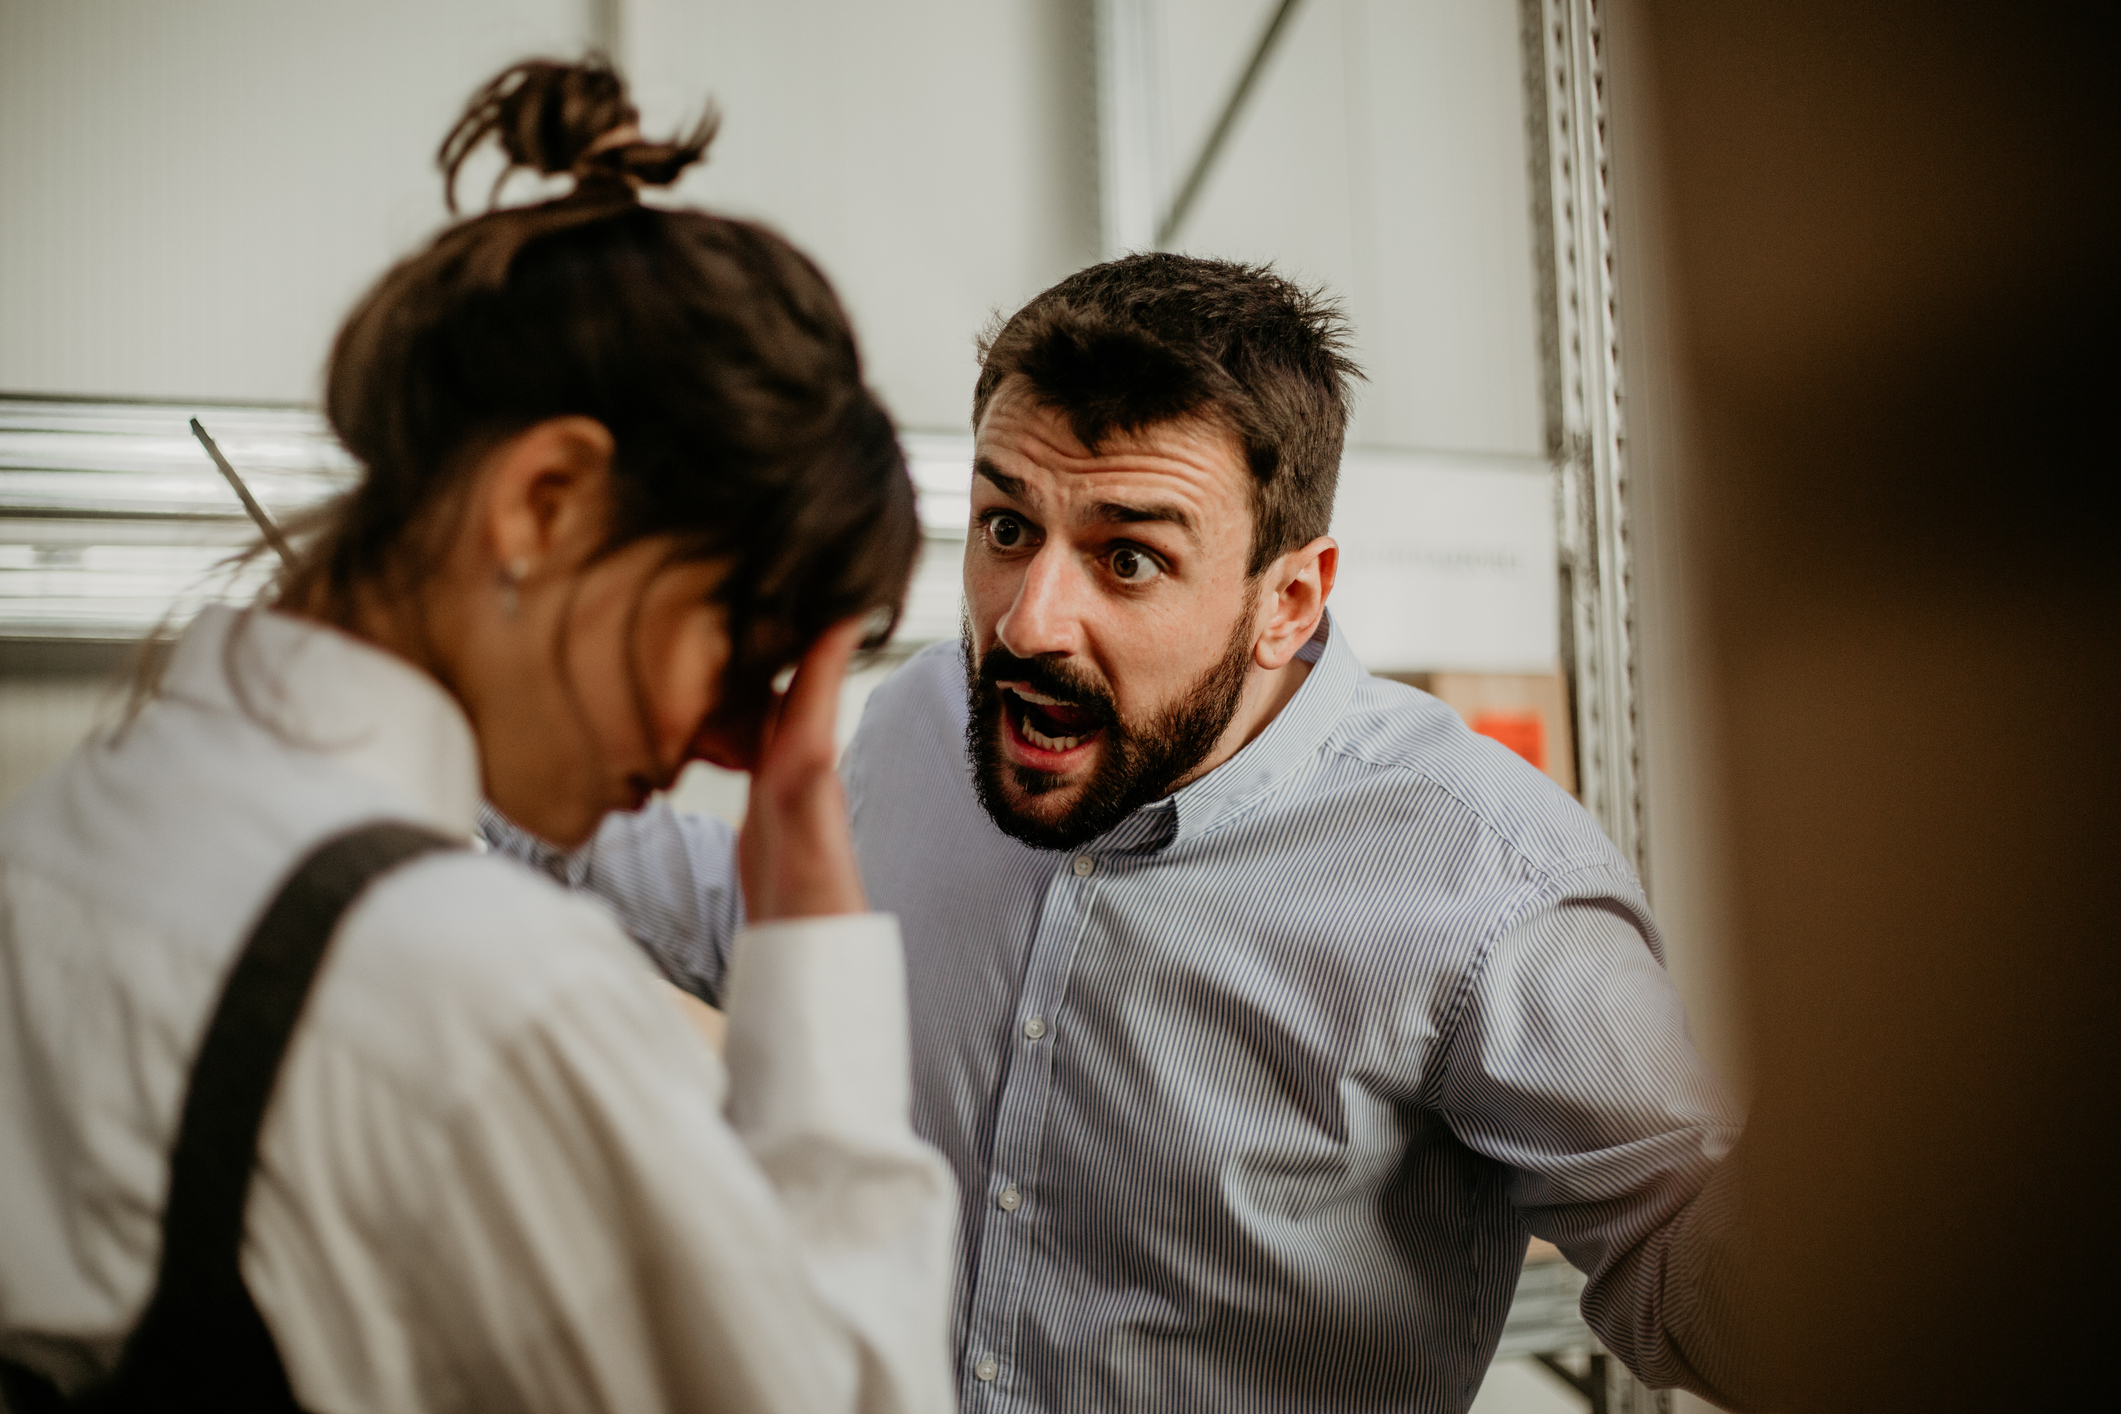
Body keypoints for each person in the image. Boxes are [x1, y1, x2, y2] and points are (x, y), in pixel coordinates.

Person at [487, 255, 1757, 1412]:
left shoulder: (1487, 883)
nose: (1027, 621)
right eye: (1006, 528)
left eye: (1129, 558)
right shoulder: (928, 716)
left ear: (1289, 598)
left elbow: (1685, 1265)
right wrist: (475, 760)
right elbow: (773, 921)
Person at [0, 59, 955, 1414]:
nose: (742, 746)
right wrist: (813, 940)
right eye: (741, 648)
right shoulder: (483, 993)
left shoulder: (63, 830)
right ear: (546, 500)